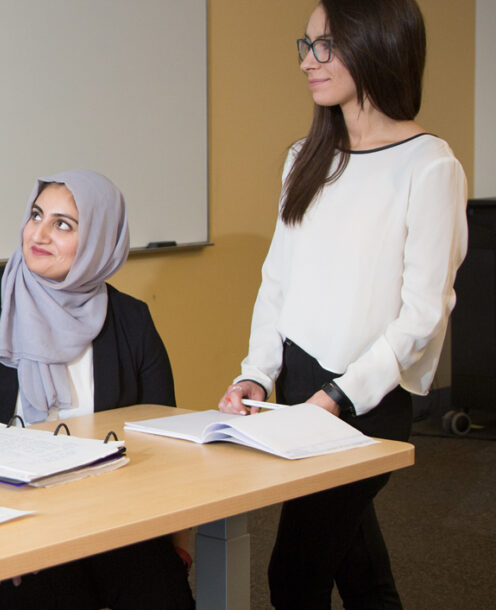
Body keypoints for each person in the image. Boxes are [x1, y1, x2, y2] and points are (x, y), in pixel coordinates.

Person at [217, 0, 467, 607]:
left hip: (366, 398)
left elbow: (424, 313)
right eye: (305, 46)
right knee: (357, 566)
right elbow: (278, 278)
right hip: (301, 382)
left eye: (326, 45)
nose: (309, 61)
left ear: (377, 44)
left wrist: (339, 397)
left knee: (294, 574)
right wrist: (256, 372)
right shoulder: (303, 159)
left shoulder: (430, 165)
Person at [0, 170, 193, 610]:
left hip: (105, 514)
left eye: (63, 224)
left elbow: (159, 439)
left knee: (160, 589)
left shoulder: (131, 321)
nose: (39, 233)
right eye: (36, 215)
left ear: (101, 241)